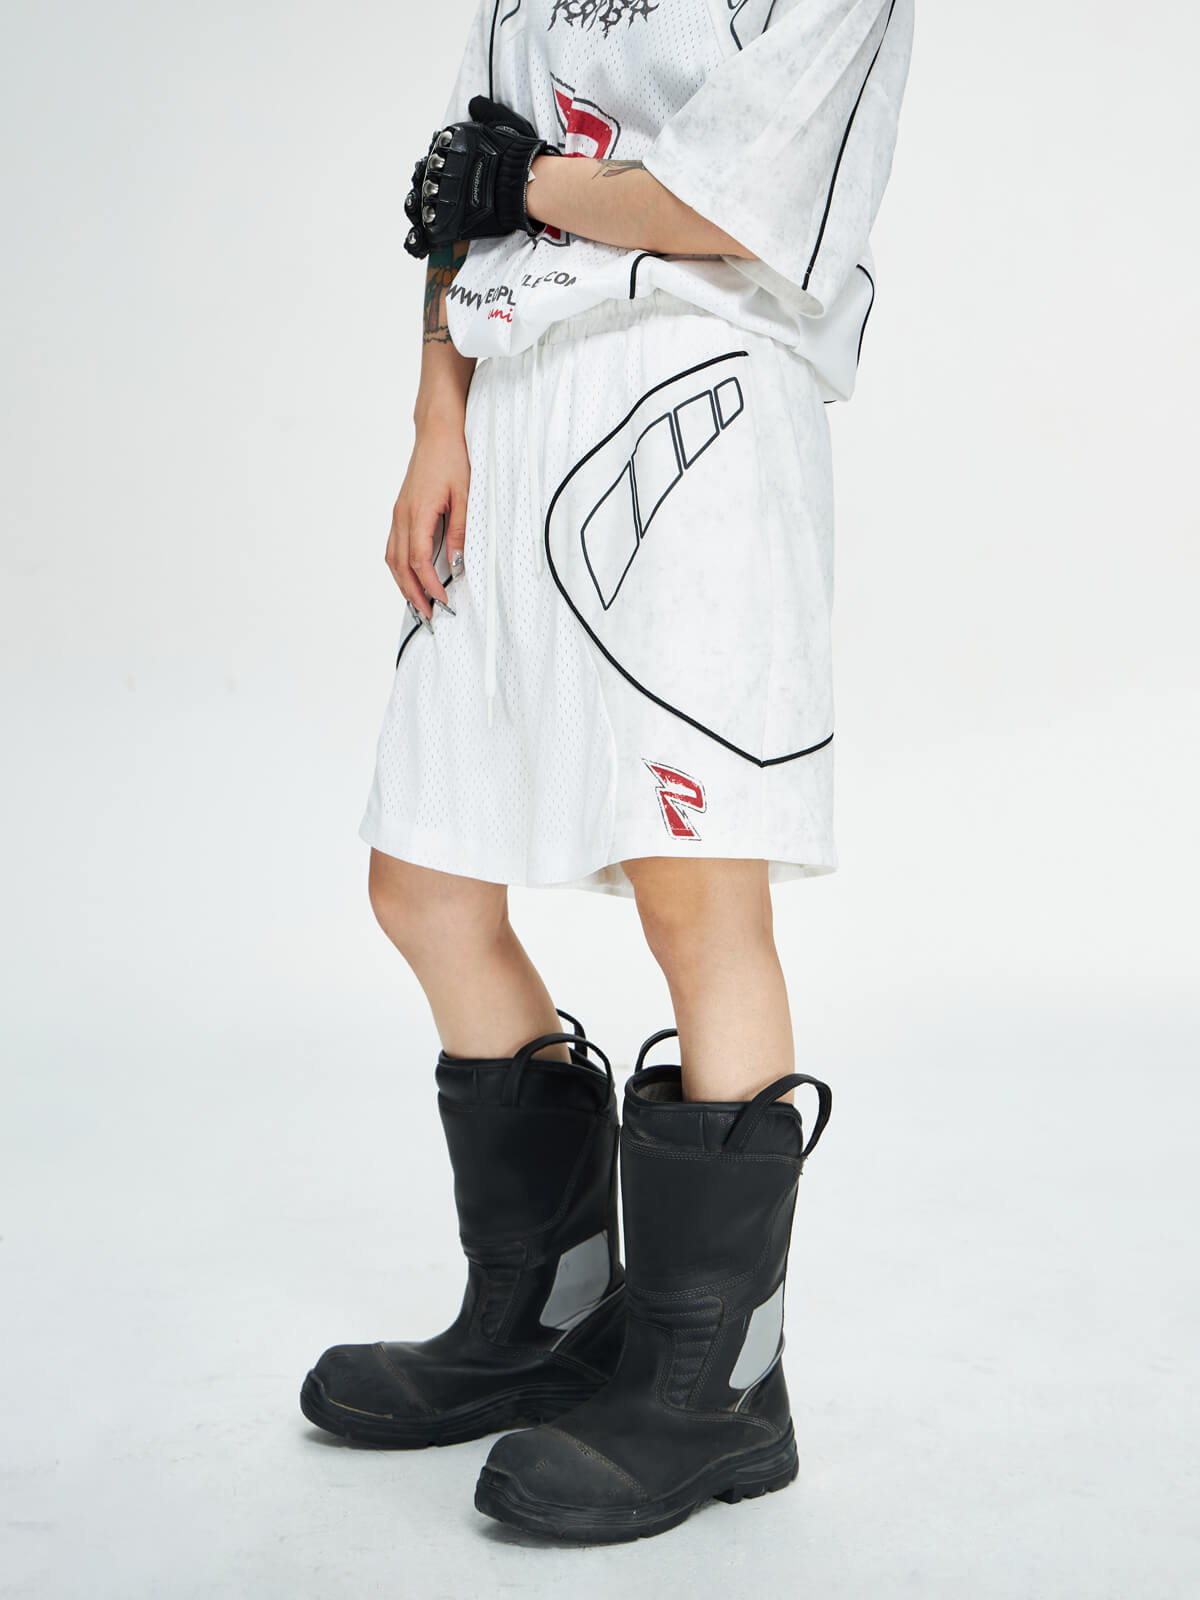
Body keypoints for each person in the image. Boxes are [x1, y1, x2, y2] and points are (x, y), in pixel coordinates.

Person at [300, 0, 914, 1544]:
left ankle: (717, 1388)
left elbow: (736, 201)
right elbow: (460, 178)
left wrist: (526, 186)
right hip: (514, 396)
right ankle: (549, 1309)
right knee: (423, 878)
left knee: (694, 896)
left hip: (695, 387)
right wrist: (435, 415)